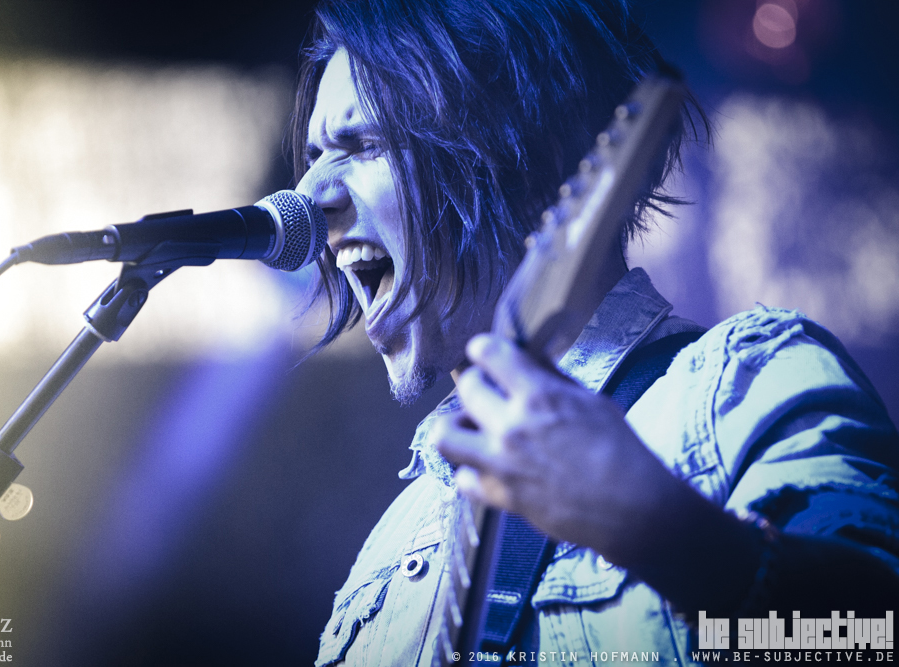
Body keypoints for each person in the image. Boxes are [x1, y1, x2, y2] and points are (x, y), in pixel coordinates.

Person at [290, 0, 899, 664]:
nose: (309, 197)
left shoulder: (743, 385)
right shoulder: (393, 543)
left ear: (522, 160)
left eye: (363, 144)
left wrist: (657, 526)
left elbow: (870, 638)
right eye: (314, 156)